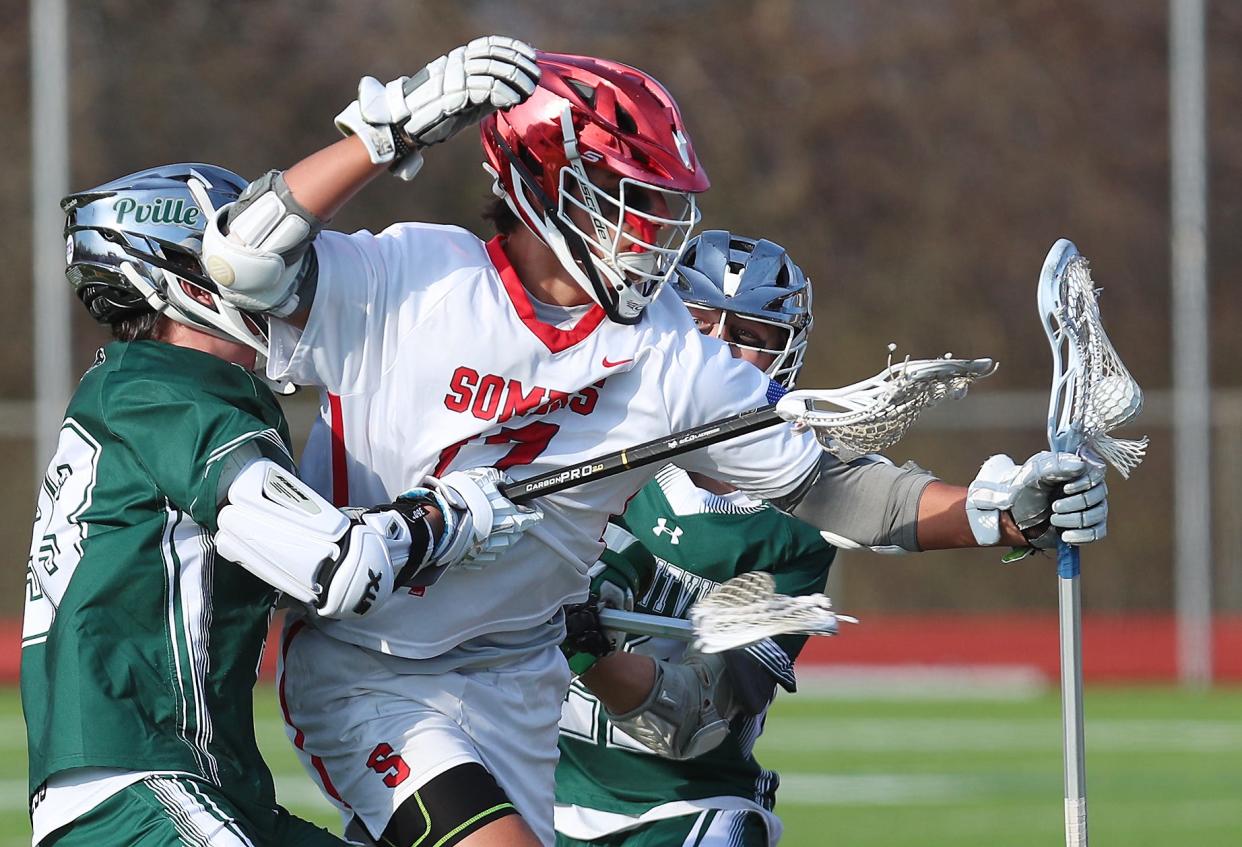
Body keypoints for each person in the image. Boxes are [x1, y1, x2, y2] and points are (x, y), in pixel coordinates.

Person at [198, 37, 1109, 847]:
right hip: (376, 670)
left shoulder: (669, 347)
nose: (651, 232)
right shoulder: (411, 273)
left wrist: (999, 513)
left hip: (524, 674)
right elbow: (240, 261)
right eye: (623, 201)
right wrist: (391, 127)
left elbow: (835, 491)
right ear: (544, 180)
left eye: (658, 206)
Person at [20, 163, 537, 847]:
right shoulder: (166, 389)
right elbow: (337, 566)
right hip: (137, 786)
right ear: (181, 275)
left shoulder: (151, 395)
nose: (283, 275)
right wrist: (444, 519)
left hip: (200, 782)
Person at [556, 232, 832, 847]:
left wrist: (588, 648)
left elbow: (699, 717)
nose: (722, 353)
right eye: (701, 325)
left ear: (785, 359)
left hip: (685, 806)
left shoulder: (796, 527)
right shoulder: (587, 438)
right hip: (524, 780)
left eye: (752, 339)